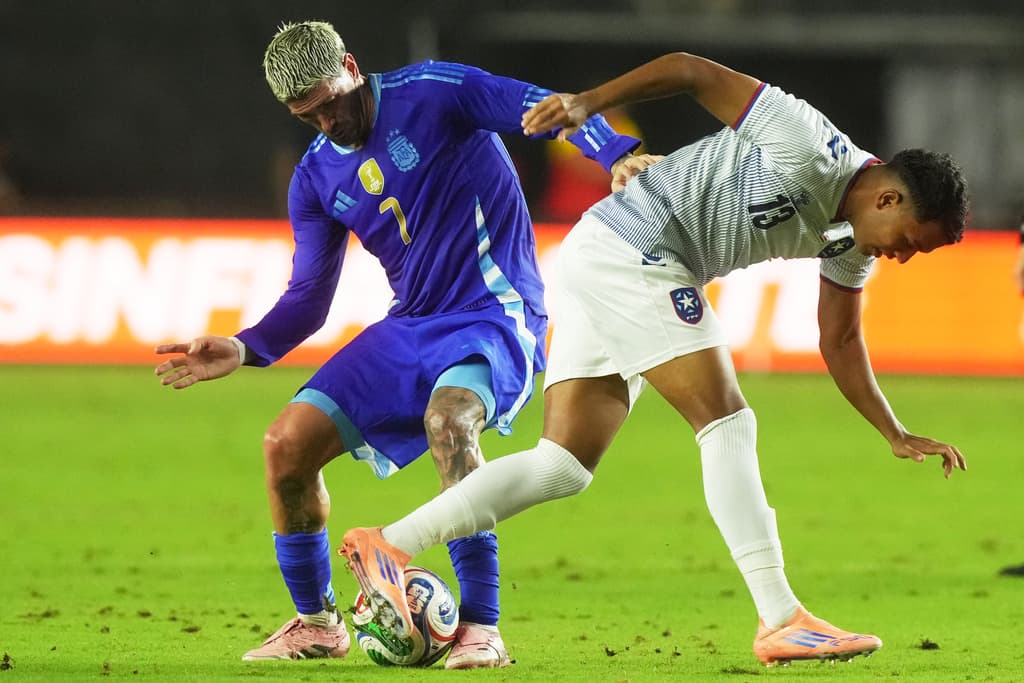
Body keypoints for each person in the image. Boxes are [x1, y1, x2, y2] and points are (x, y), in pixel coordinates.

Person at [337, 50, 970, 667]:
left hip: (607, 250)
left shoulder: (852, 241)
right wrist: (589, 105)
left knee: (563, 466)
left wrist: (895, 431)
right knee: (728, 422)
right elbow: (692, 70)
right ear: (888, 199)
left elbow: (840, 341)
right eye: (912, 243)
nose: (905, 258)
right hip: (635, 246)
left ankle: (390, 544)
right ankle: (782, 620)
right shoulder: (805, 140)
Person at [153, 21, 639, 667]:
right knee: (285, 446)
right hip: (411, 322)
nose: (327, 121)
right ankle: (317, 623)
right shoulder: (316, 178)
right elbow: (308, 297)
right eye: (308, 115)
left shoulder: (435, 92)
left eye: (331, 101)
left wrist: (615, 154)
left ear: (351, 66)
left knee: (450, 418)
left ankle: (483, 627)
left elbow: (546, 108)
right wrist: (246, 346)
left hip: (495, 312)